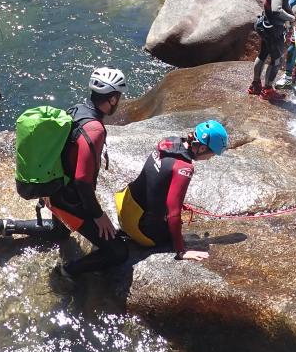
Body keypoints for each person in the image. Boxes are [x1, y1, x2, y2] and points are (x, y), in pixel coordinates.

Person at [44, 67, 130, 280]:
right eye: (118, 98)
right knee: (119, 252)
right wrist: (98, 215)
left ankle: (6, 226)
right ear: (112, 99)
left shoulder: (76, 110)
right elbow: (83, 181)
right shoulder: (95, 129)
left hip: (52, 189)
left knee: (60, 233)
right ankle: (65, 272)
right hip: (69, 201)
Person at [115, 120, 228, 261]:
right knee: (173, 229)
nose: (210, 158)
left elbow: (157, 179)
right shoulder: (184, 168)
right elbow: (173, 214)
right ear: (203, 149)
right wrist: (181, 251)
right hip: (138, 228)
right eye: (212, 154)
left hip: (123, 208)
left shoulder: (169, 143)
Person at [248, 0, 296, 101]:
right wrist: (291, 18)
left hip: (267, 26)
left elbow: (283, 6)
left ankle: (256, 85)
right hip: (272, 28)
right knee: (277, 60)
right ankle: (267, 90)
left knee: (263, 54)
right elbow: (276, 10)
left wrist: (290, 14)